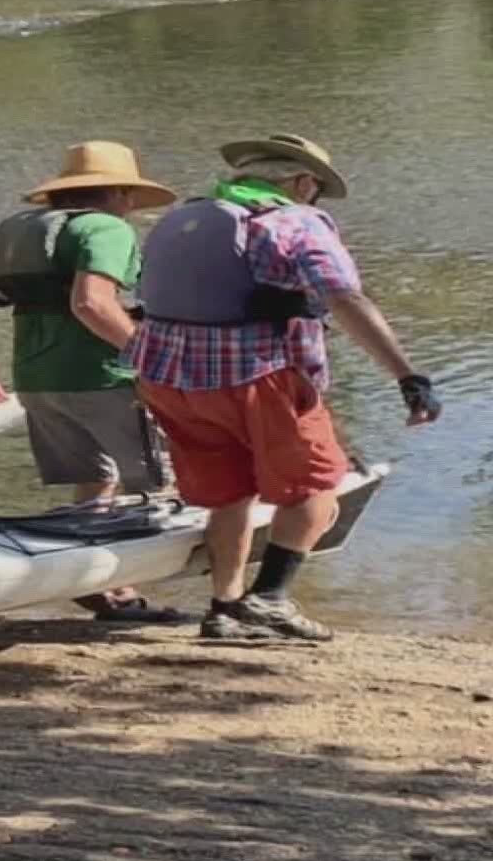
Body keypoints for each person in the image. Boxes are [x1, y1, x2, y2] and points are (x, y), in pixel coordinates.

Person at [128, 133, 442, 641]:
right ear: (302, 183)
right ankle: (271, 598)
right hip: (255, 377)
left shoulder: (179, 220)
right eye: (314, 191)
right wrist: (408, 376)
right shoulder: (293, 220)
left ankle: (225, 610)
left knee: (227, 497)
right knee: (318, 488)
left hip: (167, 378)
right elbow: (345, 299)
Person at [0, 140, 188, 624]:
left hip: (36, 382)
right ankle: (123, 585)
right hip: (104, 380)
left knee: (95, 481)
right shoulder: (107, 229)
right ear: (121, 193)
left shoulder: (25, 233)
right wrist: (152, 360)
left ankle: (102, 586)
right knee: (156, 486)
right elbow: (91, 303)